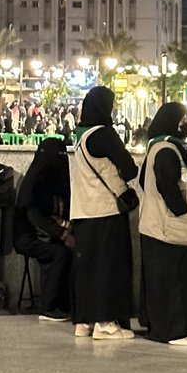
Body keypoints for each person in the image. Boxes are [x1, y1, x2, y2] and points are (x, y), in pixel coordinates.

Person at [138, 102, 187, 347]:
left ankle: (171, 328)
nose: (186, 124)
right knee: (174, 280)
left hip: (163, 227)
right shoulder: (166, 149)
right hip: (168, 228)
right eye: (183, 119)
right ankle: (176, 331)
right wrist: (182, 210)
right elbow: (167, 185)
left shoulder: (163, 147)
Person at [69, 86, 139, 341]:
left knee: (87, 267)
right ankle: (106, 322)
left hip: (83, 211)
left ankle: (84, 321)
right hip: (106, 211)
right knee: (108, 267)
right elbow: (129, 169)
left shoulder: (82, 137)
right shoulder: (105, 135)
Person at [13, 137, 74, 322]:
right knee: (59, 253)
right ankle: (48, 307)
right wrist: (62, 233)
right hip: (27, 237)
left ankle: (66, 303)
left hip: (47, 234)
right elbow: (34, 217)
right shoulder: (34, 182)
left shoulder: (56, 180)